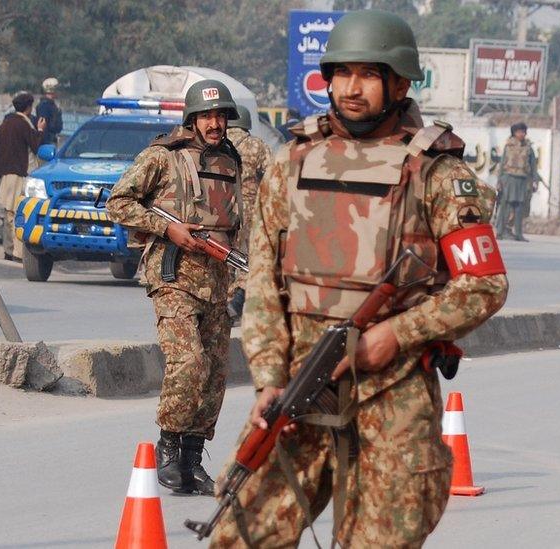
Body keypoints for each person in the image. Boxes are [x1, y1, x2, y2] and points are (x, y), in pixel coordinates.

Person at [209, 10, 509, 547]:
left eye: (368, 74)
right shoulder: (291, 163)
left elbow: (484, 286)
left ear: (399, 82)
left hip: (391, 395)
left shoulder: (439, 173)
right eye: (341, 73)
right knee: (241, 534)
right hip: (301, 387)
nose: (351, 88)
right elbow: (263, 286)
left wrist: (395, 335)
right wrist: (269, 378)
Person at [106, 79, 243, 496]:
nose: (216, 123)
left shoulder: (230, 161)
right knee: (189, 363)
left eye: (221, 116)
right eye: (208, 116)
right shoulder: (162, 157)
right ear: (193, 118)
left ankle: (190, 460)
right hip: (174, 277)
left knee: (216, 374)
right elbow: (119, 202)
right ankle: (168, 445)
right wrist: (168, 227)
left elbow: (238, 223)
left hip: (219, 282)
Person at [225, 105, 273, 321]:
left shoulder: (217, 143)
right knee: (248, 257)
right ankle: (238, 299)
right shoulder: (256, 145)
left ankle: (223, 303)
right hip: (250, 211)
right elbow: (273, 175)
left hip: (221, 209)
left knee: (223, 254)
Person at [0, 92, 46, 261]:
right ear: (28, 108)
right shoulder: (24, 124)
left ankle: (8, 250)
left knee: (8, 213)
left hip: (6, 174)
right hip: (20, 174)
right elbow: (36, 146)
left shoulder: (7, 122)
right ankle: (18, 253)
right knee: (19, 213)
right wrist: (40, 130)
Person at [496, 122, 538, 241]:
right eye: (519, 132)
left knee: (519, 208)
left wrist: (535, 181)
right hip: (508, 179)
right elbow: (502, 164)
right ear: (514, 133)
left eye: (523, 132)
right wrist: (499, 181)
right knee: (505, 206)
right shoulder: (508, 146)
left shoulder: (529, 148)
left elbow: (533, 166)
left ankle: (518, 234)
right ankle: (499, 232)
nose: (521, 134)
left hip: (522, 180)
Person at [36, 77, 64, 146]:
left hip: (51, 140)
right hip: (47, 142)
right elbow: (43, 126)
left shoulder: (53, 105)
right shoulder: (44, 106)